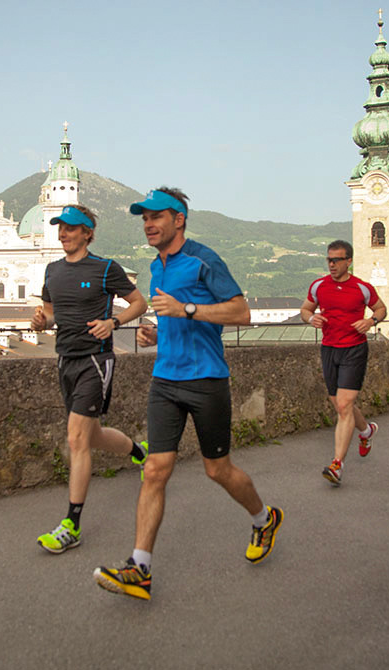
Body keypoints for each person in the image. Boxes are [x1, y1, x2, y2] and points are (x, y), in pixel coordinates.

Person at [94, 188, 282, 601]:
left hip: (206, 379)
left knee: (218, 470)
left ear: (179, 219)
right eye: (144, 218)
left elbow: (241, 312)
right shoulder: (155, 267)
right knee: (156, 470)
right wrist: (158, 331)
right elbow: (173, 316)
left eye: (156, 216)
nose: (148, 224)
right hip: (165, 379)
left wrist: (188, 310)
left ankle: (264, 518)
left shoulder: (203, 259)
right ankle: (139, 568)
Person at [31, 205, 150, 554]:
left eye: (71, 228)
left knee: (77, 439)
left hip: (95, 361)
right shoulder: (52, 271)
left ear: (87, 233)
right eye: (60, 227)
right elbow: (50, 315)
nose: (63, 233)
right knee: (91, 434)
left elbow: (138, 302)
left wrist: (113, 322)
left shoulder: (104, 269)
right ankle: (139, 452)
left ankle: (71, 524)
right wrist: (40, 322)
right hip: (65, 360)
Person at [301, 240, 384, 485]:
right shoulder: (318, 286)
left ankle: (337, 464)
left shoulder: (362, 288)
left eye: (337, 260)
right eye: (329, 259)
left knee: (346, 405)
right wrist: (311, 318)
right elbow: (306, 309)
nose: (332, 264)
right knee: (339, 405)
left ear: (349, 261)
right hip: (329, 349)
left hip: (354, 349)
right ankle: (367, 431)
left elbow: (380, 309)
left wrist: (370, 322)